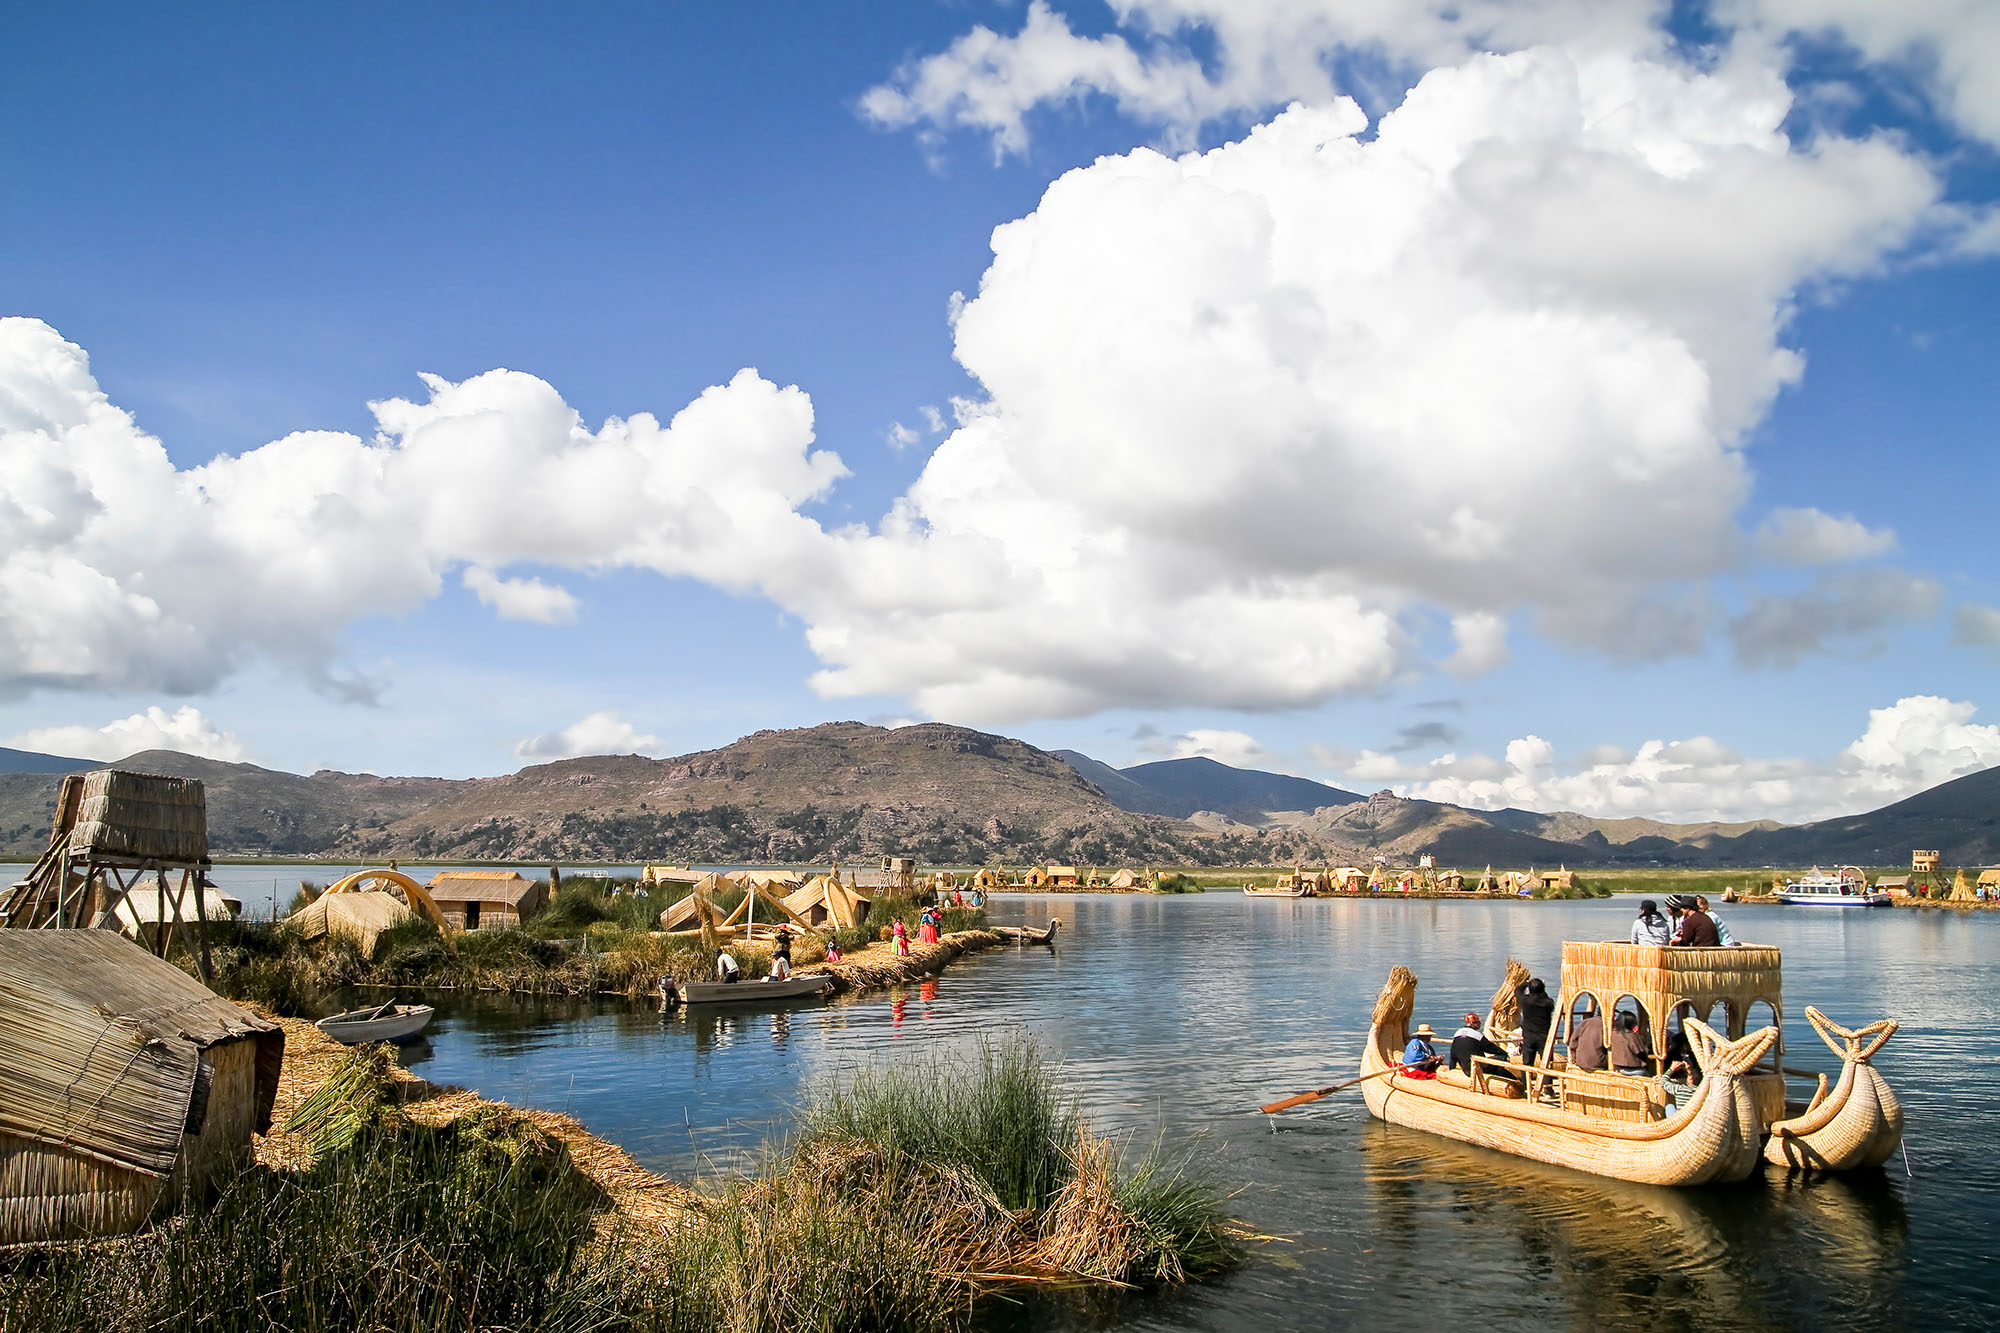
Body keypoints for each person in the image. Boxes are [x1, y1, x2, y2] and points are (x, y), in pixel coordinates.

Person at [1450, 1013, 1514, 1083]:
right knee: (1501, 1058)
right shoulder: (1476, 1035)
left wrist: (1451, 1067)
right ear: (1473, 1023)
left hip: (1466, 1069)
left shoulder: (1457, 1034)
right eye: (1478, 1022)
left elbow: (1453, 1053)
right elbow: (1491, 1048)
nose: (1480, 1024)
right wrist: (1505, 1053)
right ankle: (1516, 1081)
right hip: (1479, 1068)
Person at [1515, 978, 1555, 1067]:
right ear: (1543, 989)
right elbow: (1547, 999)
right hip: (1544, 1036)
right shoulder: (1548, 1003)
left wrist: (1526, 983)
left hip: (1529, 1036)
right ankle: (1547, 1080)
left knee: (1527, 1063)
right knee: (1547, 1064)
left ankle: (1526, 1080)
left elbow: (1518, 991)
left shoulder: (1525, 1001)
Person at [1609, 1010, 1649, 1076]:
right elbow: (1640, 1052)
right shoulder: (1631, 1035)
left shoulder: (1613, 1033)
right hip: (1634, 1069)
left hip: (1619, 1067)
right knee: (1647, 1073)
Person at [1569, 1007, 1607, 1072]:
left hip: (1581, 1062)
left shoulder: (1585, 1022)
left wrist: (1574, 1056)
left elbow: (1573, 1041)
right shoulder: (1606, 1026)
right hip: (1598, 1064)